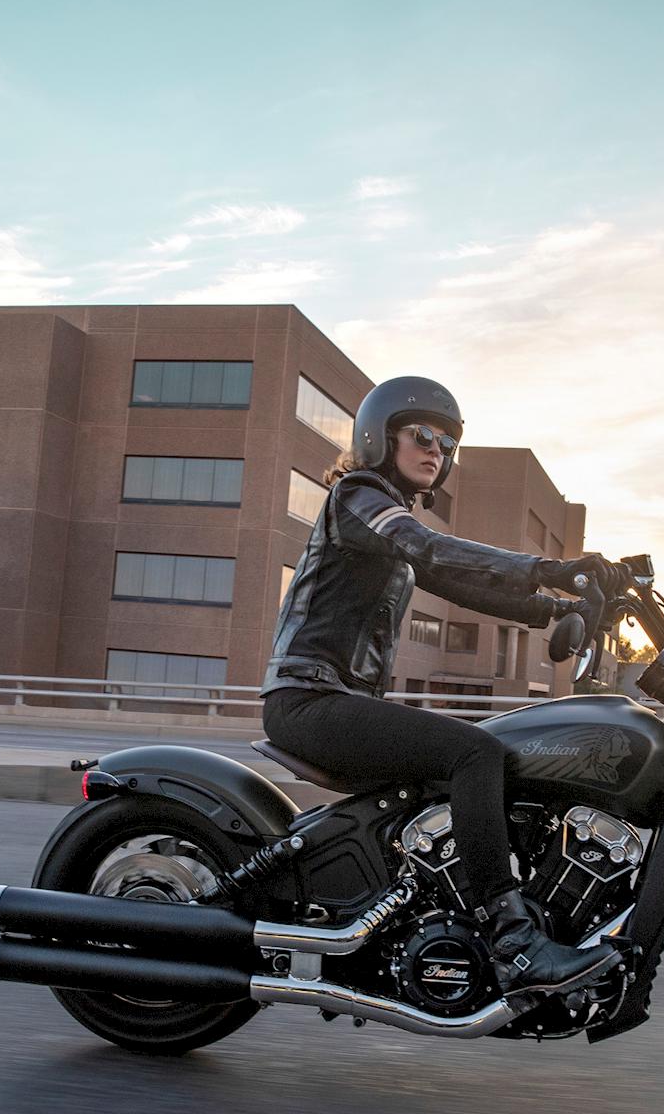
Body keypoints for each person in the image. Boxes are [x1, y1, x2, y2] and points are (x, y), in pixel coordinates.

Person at [262, 375, 622, 996]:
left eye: (449, 442)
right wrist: (554, 567)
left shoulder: (389, 527)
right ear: (380, 436)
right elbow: (430, 550)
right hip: (309, 699)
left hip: (339, 702)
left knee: (485, 758)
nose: (438, 450)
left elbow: (462, 583)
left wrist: (555, 607)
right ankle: (512, 939)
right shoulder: (358, 496)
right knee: (473, 751)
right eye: (424, 434)